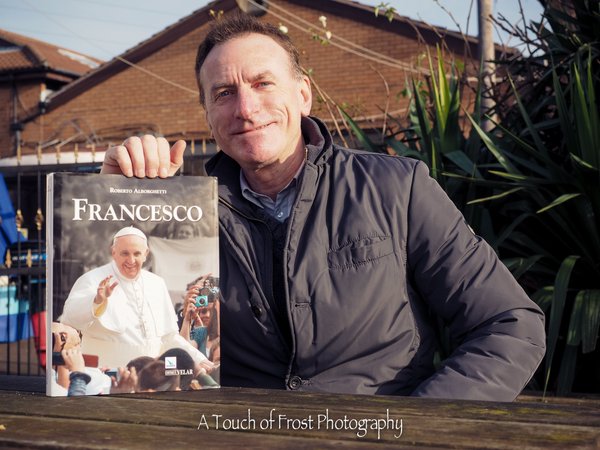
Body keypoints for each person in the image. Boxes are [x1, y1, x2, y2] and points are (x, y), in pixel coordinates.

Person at [100, 14, 546, 400]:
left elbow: (510, 324)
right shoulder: (186, 216)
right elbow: (138, 340)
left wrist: (417, 426)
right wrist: (117, 199)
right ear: (208, 116)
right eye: (224, 93)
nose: (246, 108)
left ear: (303, 95)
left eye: (263, 83)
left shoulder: (397, 189)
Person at [60, 226, 214, 370]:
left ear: (146, 254)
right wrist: (97, 302)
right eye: (124, 253)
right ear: (113, 252)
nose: (131, 260)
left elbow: (169, 337)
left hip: (150, 375)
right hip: (106, 373)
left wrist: (198, 358)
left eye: (137, 254)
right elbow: (69, 320)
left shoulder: (157, 283)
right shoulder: (92, 279)